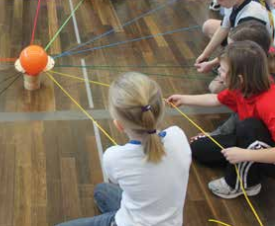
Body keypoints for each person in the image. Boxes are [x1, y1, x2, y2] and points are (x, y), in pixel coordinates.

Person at [57, 72, 191, 225]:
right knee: (102, 191)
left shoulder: (114, 157)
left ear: (119, 125)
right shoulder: (178, 135)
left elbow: (116, 178)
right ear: (160, 111)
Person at [169, 41, 275, 199]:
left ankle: (242, 183)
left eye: (223, 69)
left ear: (239, 78)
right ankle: (245, 165)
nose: (218, 71)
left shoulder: (269, 103)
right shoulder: (241, 87)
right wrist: (184, 99)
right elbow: (216, 99)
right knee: (199, 148)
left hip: (268, 156)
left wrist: (246, 155)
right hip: (251, 142)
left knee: (249, 126)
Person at [195, 0, 274, 67]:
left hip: (256, 55)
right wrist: (205, 55)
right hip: (244, 39)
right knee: (208, 26)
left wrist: (211, 64)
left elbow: (239, 48)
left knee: (217, 83)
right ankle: (228, 62)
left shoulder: (251, 16)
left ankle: (232, 65)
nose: (217, 2)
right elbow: (224, 27)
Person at [196, 21, 275, 94]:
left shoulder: (262, 77)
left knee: (215, 88)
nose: (228, 50)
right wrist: (211, 64)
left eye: (232, 48)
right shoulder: (258, 54)